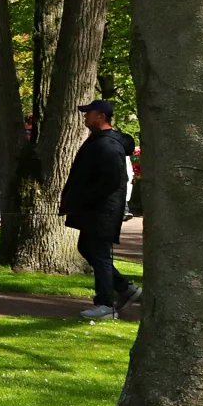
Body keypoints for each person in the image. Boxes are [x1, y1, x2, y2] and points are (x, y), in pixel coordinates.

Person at [58, 100, 140, 318]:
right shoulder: (101, 141)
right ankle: (124, 288)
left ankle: (105, 304)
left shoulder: (108, 145)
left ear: (101, 116)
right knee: (87, 247)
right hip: (96, 209)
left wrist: (85, 200)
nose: (85, 118)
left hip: (102, 211)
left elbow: (111, 181)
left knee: (100, 254)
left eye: (88, 114)